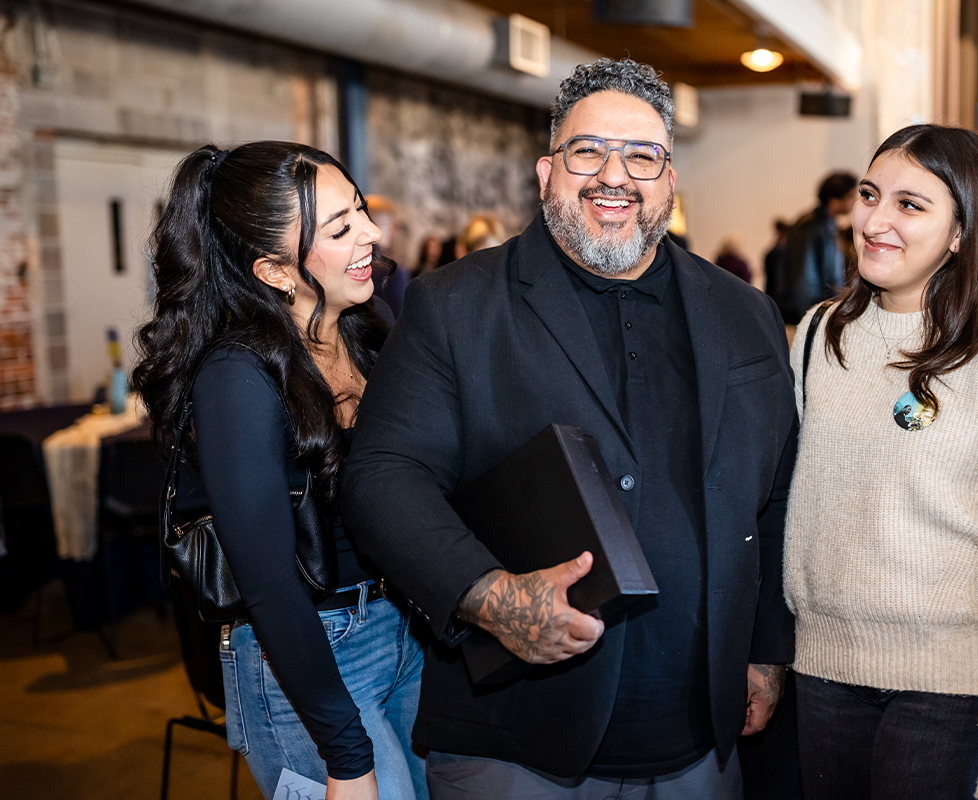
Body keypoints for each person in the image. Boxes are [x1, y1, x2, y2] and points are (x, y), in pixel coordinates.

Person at [342, 58, 798, 799]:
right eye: (589, 151)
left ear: (670, 180)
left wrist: (766, 652)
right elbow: (381, 475)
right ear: (547, 170)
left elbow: (776, 494)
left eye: (642, 156)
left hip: (701, 738)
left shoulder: (743, 313)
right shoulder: (455, 305)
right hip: (519, 736)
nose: (613, 175)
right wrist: (487, 594)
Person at [784, 125, 978, 800]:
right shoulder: (818, 334)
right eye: (870, 195)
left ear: (962, 231)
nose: (875, 219)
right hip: (820, 680)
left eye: (910, 204)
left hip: (951, 696)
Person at [131, 142, 426, 800]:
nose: (372, 235)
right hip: (308, 662)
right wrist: (346, 759)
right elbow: (268, 588)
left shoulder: (362, 330)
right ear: (273, 270)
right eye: (342, 227)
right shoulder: (237, 376)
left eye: (360, 210)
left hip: (400, 630)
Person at [770, 171, 858, 324]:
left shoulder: (828, 225)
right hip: (808, 316)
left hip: (822, 311)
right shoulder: (809, 226)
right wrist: (812, 317)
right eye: (851, 196)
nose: (854, 201)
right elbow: (802, 278)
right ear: (837, 197)